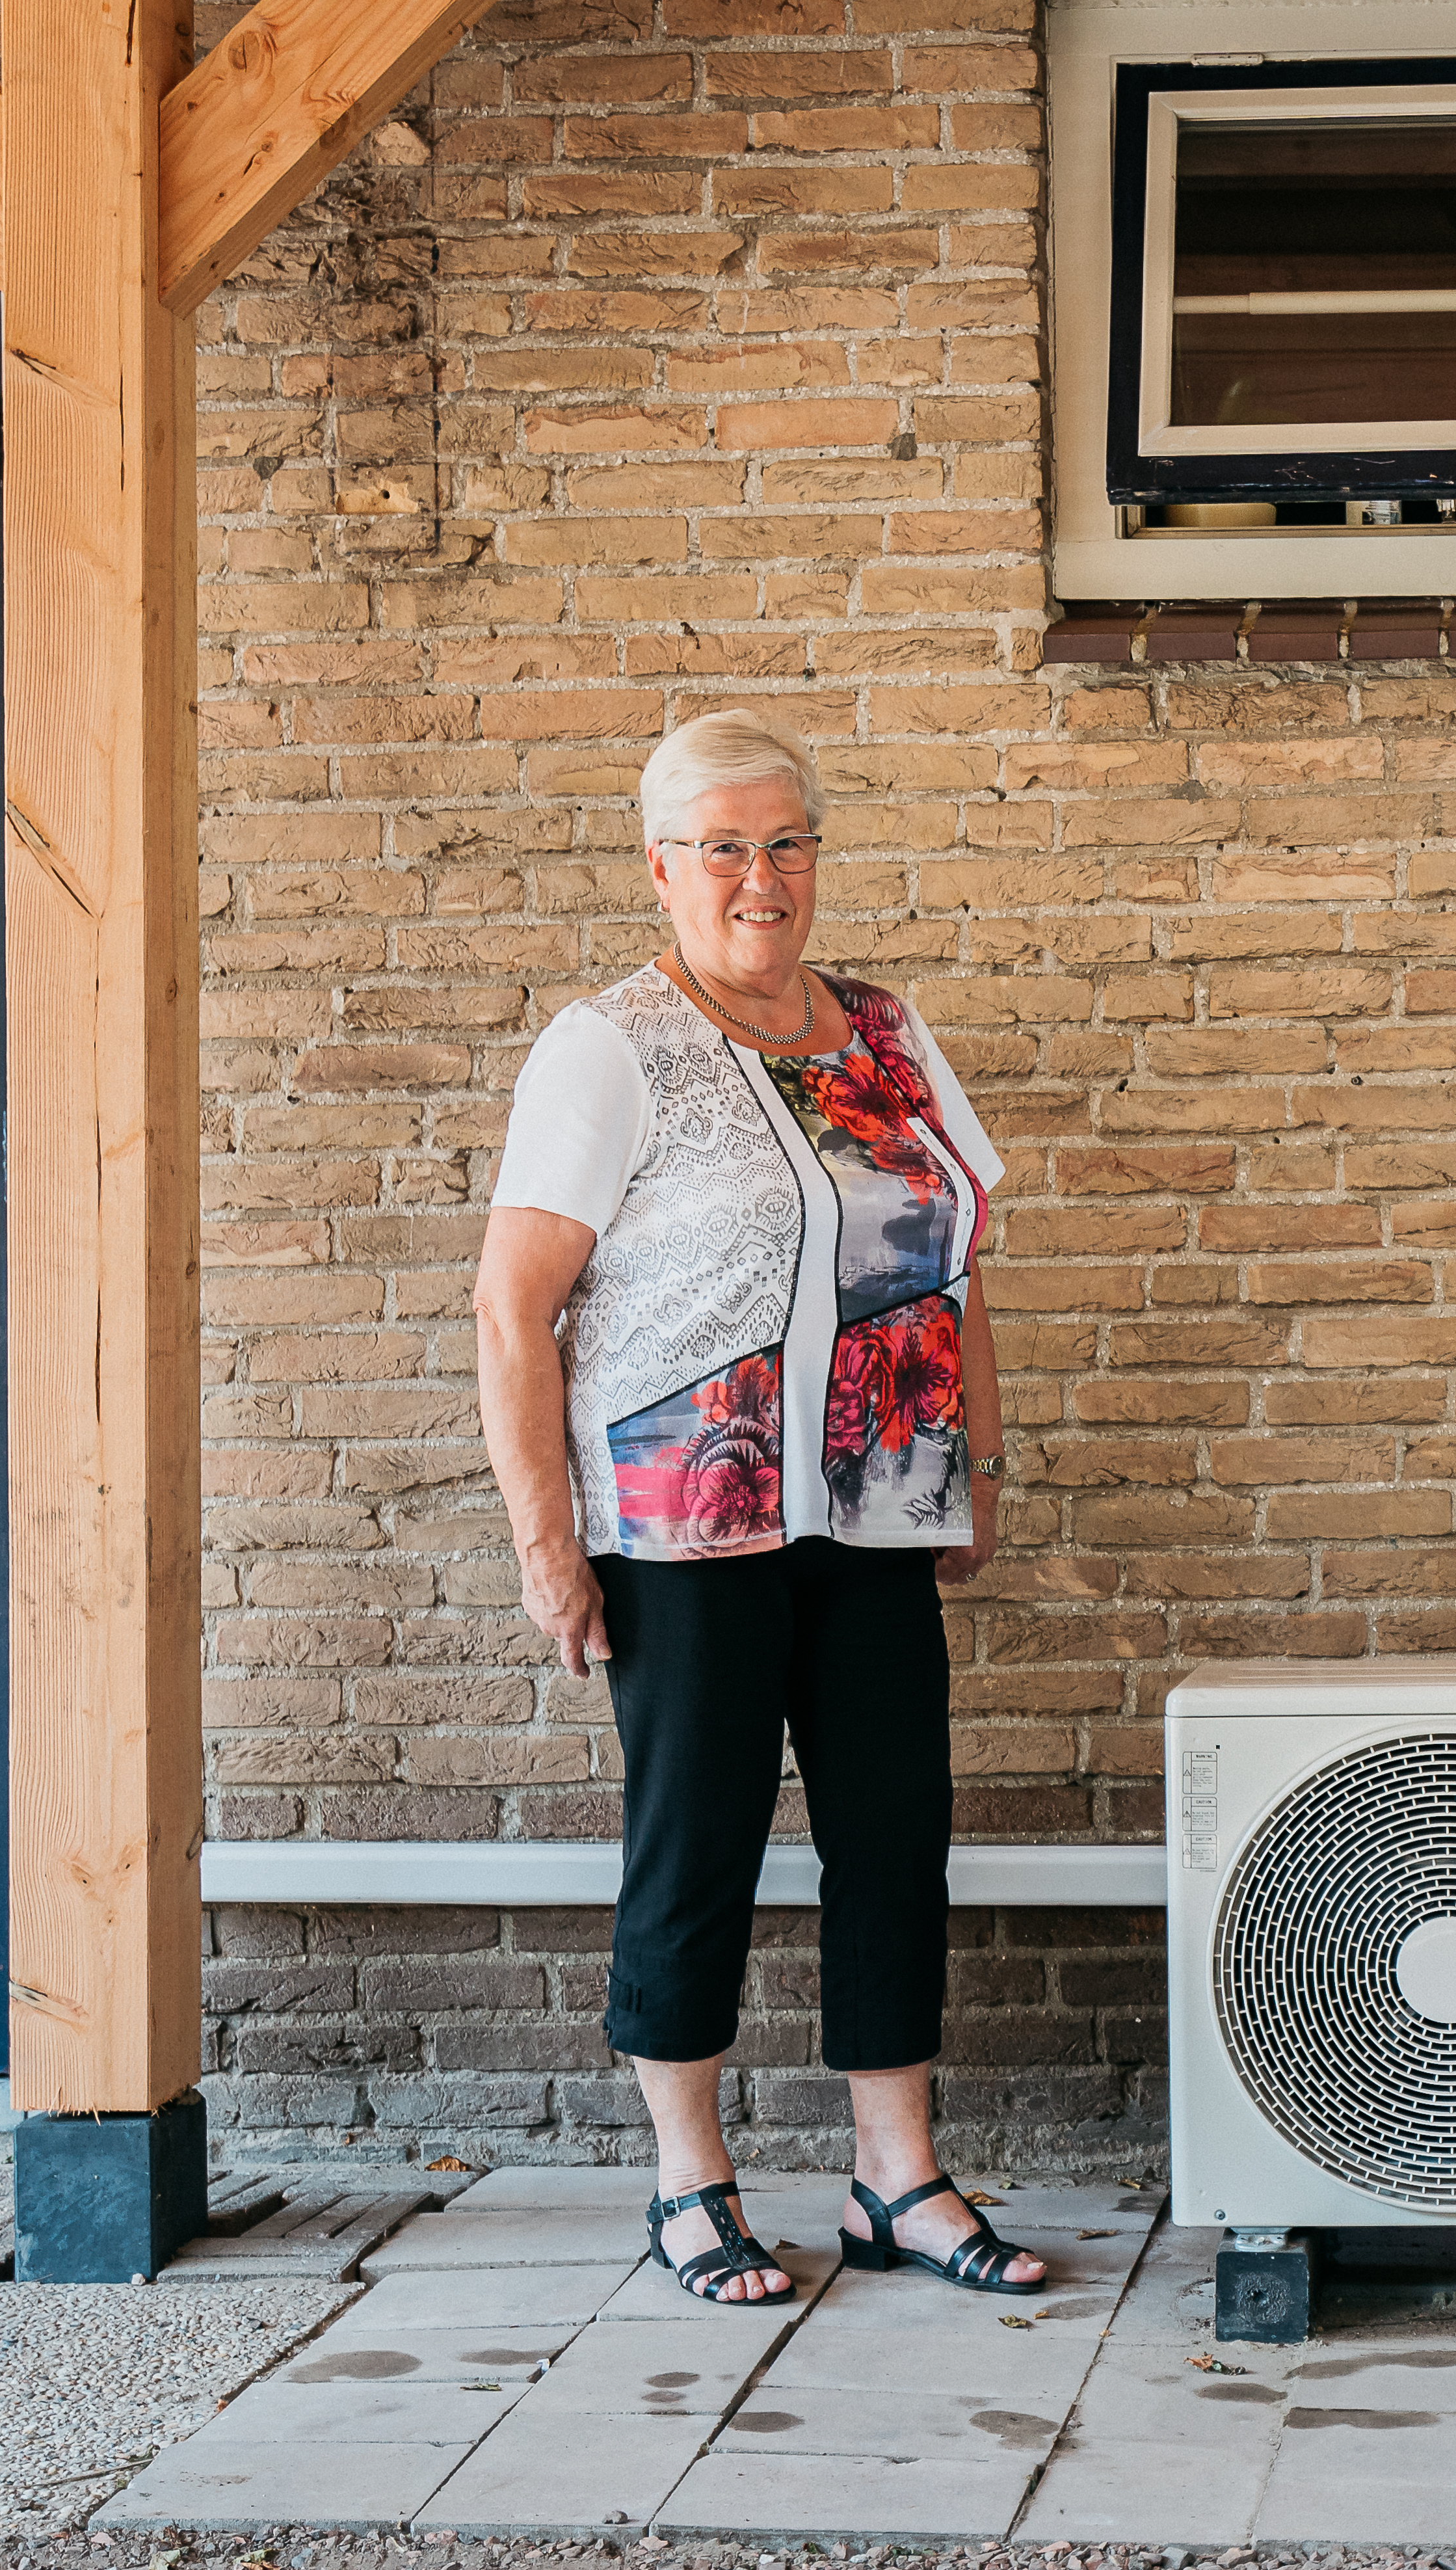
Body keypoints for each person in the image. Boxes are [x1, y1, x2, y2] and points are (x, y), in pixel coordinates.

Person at [474, 708, 1046, 2304]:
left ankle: (895, 2175)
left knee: (892, 1839)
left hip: (876, 1508)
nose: (757, 876)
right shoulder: (609, 1046)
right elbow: (514, 1308)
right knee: (697, 1841)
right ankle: (689, 2178)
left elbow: (952, 1262)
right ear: (661, 867)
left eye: (783, 842)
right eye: (721, 846)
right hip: (685, 1524)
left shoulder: (882, 1030)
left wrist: (977, 1468)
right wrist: (547, 1544)